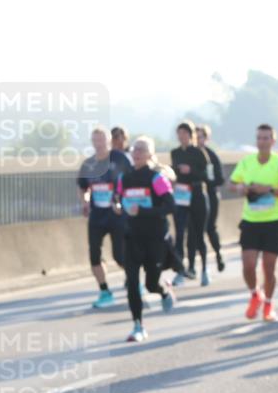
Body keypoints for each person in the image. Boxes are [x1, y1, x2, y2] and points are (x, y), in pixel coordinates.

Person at [228, 124, 278, 322]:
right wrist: (242, 187)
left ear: (273, 141)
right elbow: (231, 184)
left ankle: (269, 303)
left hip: (275, 221)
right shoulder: (247, 162)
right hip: (251, 220)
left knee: (269, 267)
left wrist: (269, 189)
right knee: (248, 265)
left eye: (266, 138)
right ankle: (255, 294)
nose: (262, 142)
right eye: (259, 138)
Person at [116, 135, 175, 342]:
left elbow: (169, 206)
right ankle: (138, 326)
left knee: (150, 284)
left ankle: (163, 291)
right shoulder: (125, 178)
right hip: (132, 237)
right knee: (132, 282)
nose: (137, 152)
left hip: (154, 237)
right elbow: (119, 198)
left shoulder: (156, 178)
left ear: (150, 154)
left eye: (142, 149)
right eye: (135, 149)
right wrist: (118, 206)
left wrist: (142, 210)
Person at [76, 128, 131, 308]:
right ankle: (105, 291)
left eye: (101, 140)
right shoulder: (88, 164)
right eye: (95, 140)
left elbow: (132, 180)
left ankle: (134, 279)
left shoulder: (120, 159)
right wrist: (85, 201)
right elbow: (83, 186)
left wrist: (123, 202)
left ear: (108, 141)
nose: (98, 143)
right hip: (97, 215)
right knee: (94, 256)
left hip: (116, 214)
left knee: (120, 256)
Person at [169, 121, 211, 286]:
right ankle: (180, 270)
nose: (182, 137)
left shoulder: (199, 153)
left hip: (198, 194)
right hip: (181, 195)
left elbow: (208, 176)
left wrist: (191, 171)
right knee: (179, 234)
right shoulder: (175, 153)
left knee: (199, 234)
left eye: (185, 134)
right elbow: (173, 171)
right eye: (179, 134)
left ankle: (205, 270)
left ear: (191, 135)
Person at [195, 124, 225, 272]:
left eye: (200, 137)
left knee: (210, 228)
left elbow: (220, 179)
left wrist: (205, 180)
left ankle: (218, 254)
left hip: (211, 195)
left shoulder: (211, 156)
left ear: (206, 138)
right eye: (195, 136)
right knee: (194, 230)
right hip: (194, 197)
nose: (198, 140)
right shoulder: (189, 155)